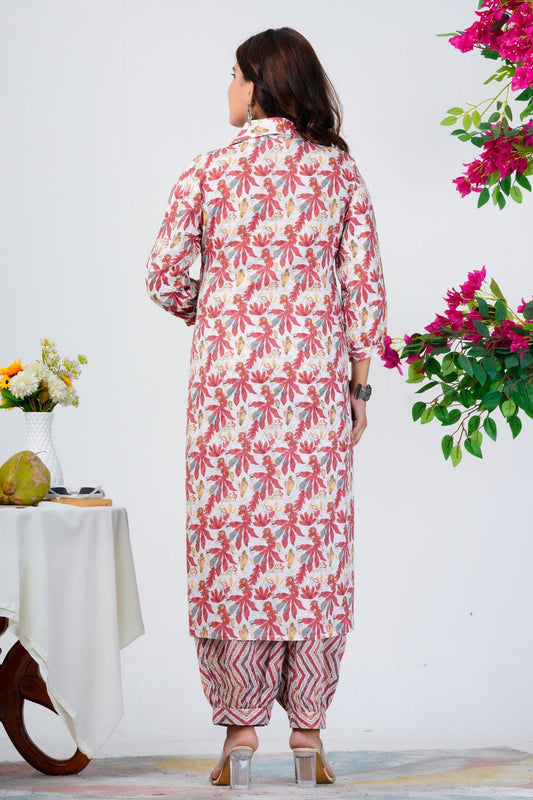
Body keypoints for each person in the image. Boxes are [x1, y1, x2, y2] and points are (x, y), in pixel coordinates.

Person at [146, 27, 387, 789]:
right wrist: (357, 388)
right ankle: (308, 732)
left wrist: (220, 312)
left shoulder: (208, 170)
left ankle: (240, 732)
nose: (227, 89)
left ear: (259, 84)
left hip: (227, 393)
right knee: (312, 554)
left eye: (233, 75)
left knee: (233, 552)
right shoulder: (337, 171)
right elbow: (363, 289)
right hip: (312, 388)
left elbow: (163, 276)